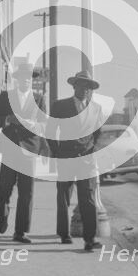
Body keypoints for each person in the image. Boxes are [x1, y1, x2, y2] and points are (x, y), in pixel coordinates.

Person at [48, 70, 105, 252]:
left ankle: (91, 238)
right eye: (82, 85)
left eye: (89, 87)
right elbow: (50, 131)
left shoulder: (96, 109)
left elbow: (98, 133)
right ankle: (64, 233)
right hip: (65, 157)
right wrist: (57, 152)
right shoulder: (59, 106)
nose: (85, 89)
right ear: (74, 86)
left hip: (86, 160)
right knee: (64, 197)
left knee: (87, 198)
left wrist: (90, 149)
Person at [0, 63, 46, 244]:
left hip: (30, 149)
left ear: (32, 80)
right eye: (22, 77)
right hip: (9, 147)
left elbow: (44, 125)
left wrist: (33, 125)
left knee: (27, 192)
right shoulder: (6, 96)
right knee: (5, 186)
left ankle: (20, 232)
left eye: (29, 78)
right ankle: (4, 207)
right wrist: (8, 119)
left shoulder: (39, 99)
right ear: (17, 80)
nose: (25, 80)